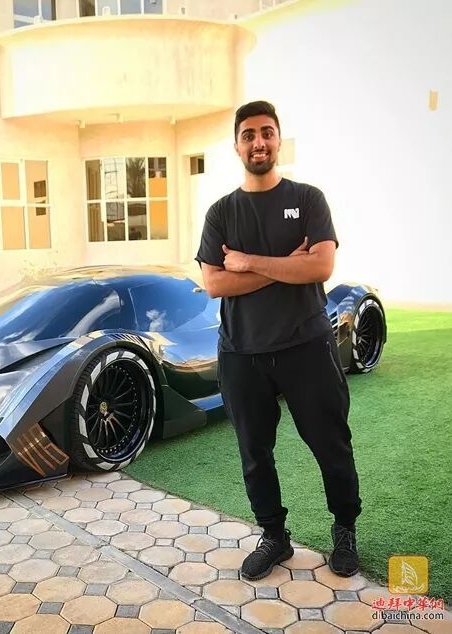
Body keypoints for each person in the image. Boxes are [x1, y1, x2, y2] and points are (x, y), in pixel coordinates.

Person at [195, 100, 361, 581]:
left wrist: (249, 262)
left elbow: (320, 265)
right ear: (237, 146)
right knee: (254, 453)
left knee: (331, 444)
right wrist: (285, 265)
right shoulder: (221, 212)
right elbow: (215, 283)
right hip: (242, 353)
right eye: (248, 135)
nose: (259, 142)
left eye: (267, 132)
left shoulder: (308, 199)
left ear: (278, 140)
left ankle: (345, 529)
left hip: (306, 347)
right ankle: (274, 537)